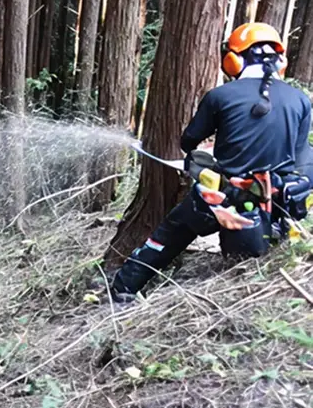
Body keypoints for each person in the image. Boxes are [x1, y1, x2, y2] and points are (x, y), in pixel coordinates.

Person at [110, 22, 313, 301]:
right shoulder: (301, 100)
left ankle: (123, 290)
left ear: (233, 59)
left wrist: (210, 148)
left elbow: (188, 141)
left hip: (220, 197)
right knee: (247, 266)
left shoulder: (220, 96)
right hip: (271, 204)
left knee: (169, 235)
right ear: (280, 59)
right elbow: (298, 153)